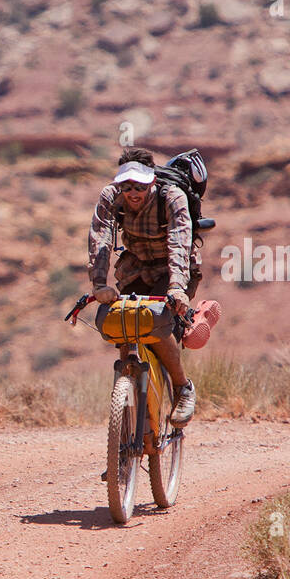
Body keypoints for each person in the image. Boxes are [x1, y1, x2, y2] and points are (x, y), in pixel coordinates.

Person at [87, 147, 198, 426]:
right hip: (136, 265)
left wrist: (176, 288)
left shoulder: (172, 197)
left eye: (139, 186)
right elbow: (100, 238)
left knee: (155, 323)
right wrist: (99, 284)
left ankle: (182, 387)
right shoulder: (111, 196)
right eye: (126, 186)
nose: (133, 193)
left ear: (151, 181)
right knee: (124, 325)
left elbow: (179, 243)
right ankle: (126, 444)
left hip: (174, 271)